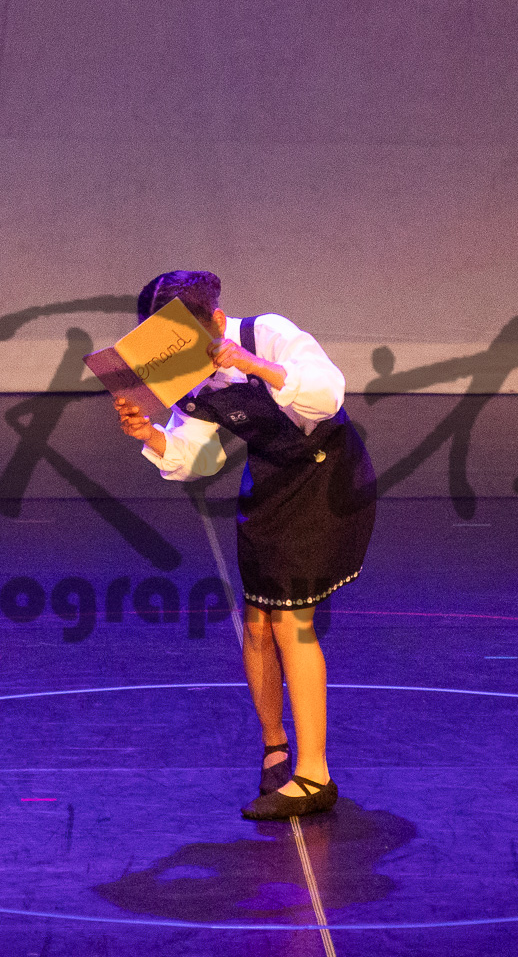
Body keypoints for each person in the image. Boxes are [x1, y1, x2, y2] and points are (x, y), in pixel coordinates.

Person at [112, 270, 376, 819]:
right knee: (257, 622)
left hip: (327, 479)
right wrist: (151, 434)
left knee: (291, 620)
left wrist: (254, 365)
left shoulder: (268, 334)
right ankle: (275, 745)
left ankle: (315, 775)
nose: (178, 355)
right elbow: (199, 457)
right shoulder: (186, 374)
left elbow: (328, 395)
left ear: (214, 320)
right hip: (272, 481)